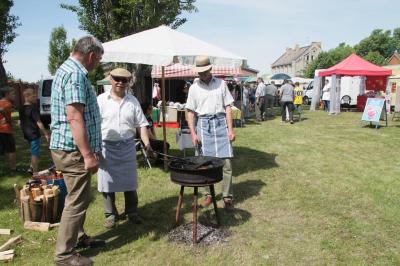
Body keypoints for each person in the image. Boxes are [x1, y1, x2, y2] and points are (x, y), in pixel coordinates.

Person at [50, 35, 104, 266]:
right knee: (77, 200)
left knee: (79, 197)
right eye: (98, 60)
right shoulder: (75, 74)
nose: (97, 64)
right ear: (91, 56)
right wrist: (88, 154)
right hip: (72, 150)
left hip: (67, 147)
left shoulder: (67, 69)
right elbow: (74, 116)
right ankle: (64, 255)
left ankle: (79, 237)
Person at [97, 68, 153, 229]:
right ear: (110, 79)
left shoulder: (133, 101)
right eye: (117, 79)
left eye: (124, 80)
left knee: (130, 181)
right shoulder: (101, 100)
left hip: (128, 145)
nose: (120, 82)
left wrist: (147, 144)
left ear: (128, 83)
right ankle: (110, 215)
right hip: (106, 146)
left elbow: (141, 125)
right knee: (106, 182)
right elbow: (93, 125)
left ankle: (132, 212)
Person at [186, 55, 235, 211]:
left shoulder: (221, 84)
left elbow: (228, 107)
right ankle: (208, 194)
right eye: (200, 72)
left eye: (204, 72)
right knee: (204, 164)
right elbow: (190, 112)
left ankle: (227, 196)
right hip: (203, 125)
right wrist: (193, 133)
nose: (202, 75)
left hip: (220, 125)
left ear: (210, 69)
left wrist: (231, 130)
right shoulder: (194, 88)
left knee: (226, 164)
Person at [19, 87, 50, 174]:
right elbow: (39, 122)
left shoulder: (21, 108)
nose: (35, 97)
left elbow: (20, 122)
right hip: (33, 134)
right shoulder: (33, 108)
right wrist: (46, 133)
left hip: (27, 134)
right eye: (33, 96)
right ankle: (35, 173)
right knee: (35, 153)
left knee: (33, 150)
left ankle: (31, 167)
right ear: (27, 97)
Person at [0, 86, 18, 172]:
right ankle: (13, 168)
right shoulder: (8, 104)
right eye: (12, 93)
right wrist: (12, 123)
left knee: (3, 149)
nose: (14, 95)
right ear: (7, 94)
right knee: (12, 150)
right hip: (6, 130)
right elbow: (8, 118)